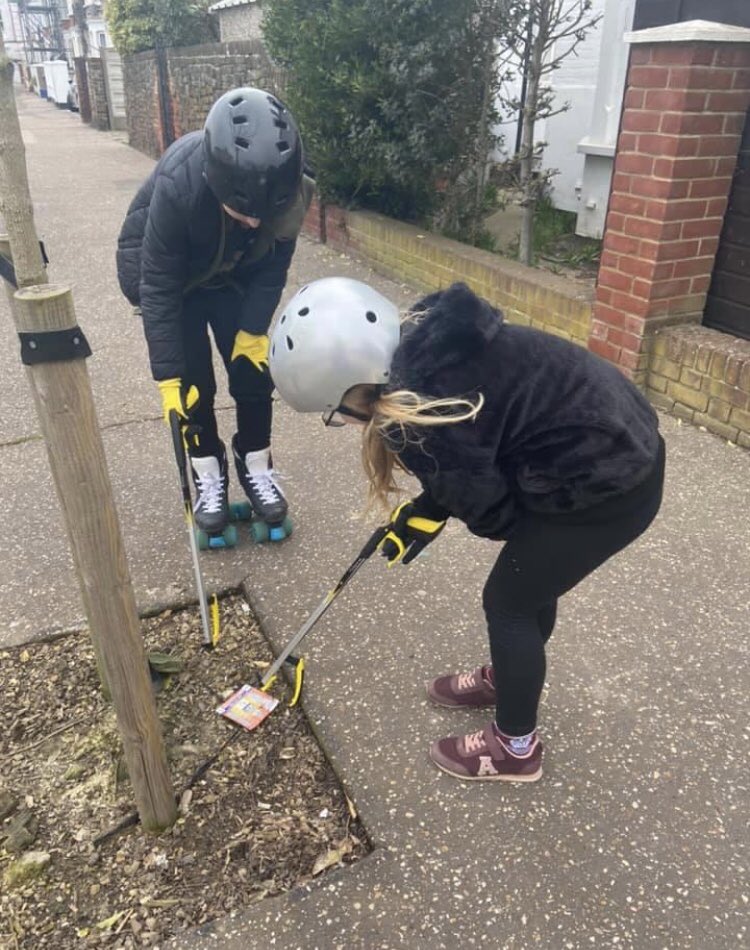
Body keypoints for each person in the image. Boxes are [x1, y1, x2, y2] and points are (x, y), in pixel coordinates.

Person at [268, 278, 665, 782]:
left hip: (606, 485)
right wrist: (430, 508)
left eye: (337, 412)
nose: (343, 422)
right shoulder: (434, 346)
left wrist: (449, 498)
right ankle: (510, 677)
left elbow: (497, 516)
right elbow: (484, 439)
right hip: (621, 445)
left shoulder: (417, 421)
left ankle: (515, 749)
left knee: (509, 601)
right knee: (530, 582)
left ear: (354, 388)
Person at [117, 87, 314, 534]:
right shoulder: (179, 186)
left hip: (230, 273)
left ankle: (256, 464)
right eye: (244, 213)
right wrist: (166, 375)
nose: (255, 223)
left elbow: (273, 266)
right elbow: (159, 286)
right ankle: (209, 473)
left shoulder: (286, 184)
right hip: (174, 281)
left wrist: (252, 331)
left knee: (252, 373)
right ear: (217, 182)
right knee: (193, 388)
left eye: (265, 214)